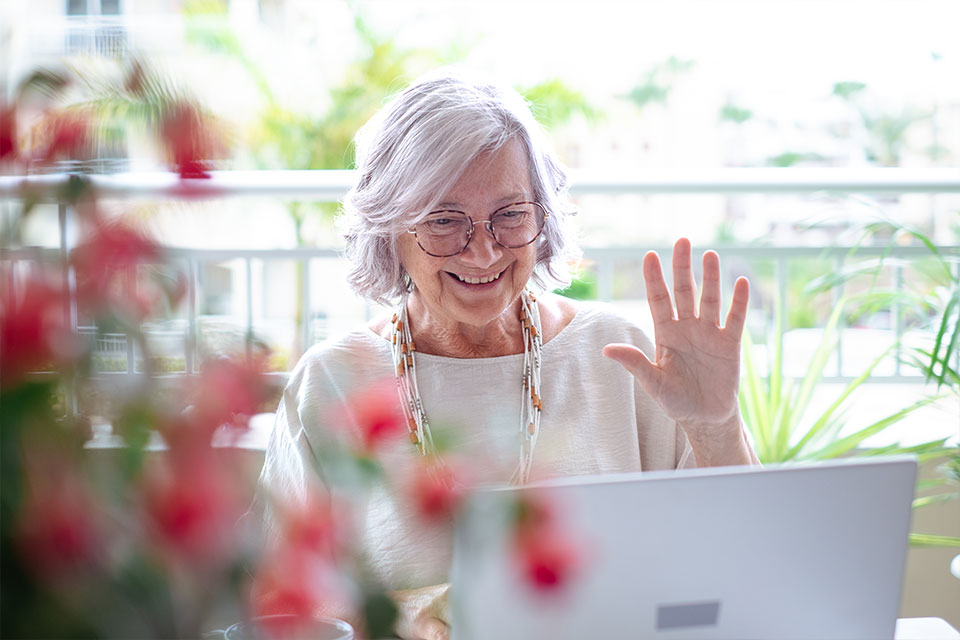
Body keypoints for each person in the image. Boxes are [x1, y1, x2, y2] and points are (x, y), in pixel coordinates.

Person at [258, 70, 759, 640]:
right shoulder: (330, 382)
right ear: (389, 227)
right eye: (443, 220)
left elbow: (742, 563)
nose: (483, 250)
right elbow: (286, 603)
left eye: (511, 213)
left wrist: (716, 426)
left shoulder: (619, 355)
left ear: (542, 217)